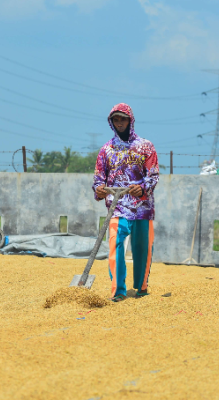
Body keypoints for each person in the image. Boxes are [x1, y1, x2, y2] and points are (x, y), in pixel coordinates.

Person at [93, 103, 159, 301]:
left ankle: (141, 287)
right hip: (117, 206)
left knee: (142, 249)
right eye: (116, 119)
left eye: (123, 118)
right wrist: (99, 190)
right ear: (111, 122)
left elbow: (153, 174)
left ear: (130, 120)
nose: (119, 122)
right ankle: (118, 290)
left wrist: (143, 188)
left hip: (142, 207)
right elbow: (98, 178)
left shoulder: (145, 146)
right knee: (116, 245)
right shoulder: (106, 150)